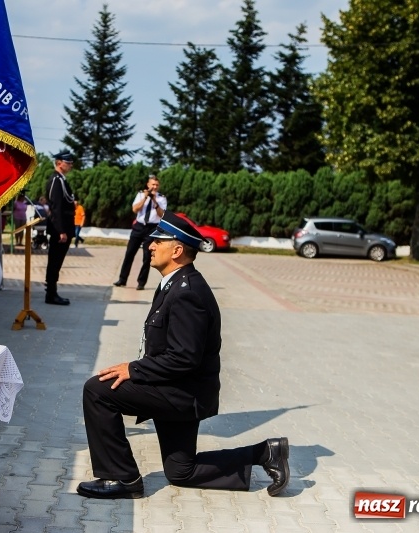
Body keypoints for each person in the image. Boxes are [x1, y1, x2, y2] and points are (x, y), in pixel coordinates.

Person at [78, 210, 289, 499]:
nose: (150, 246)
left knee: (97, 390)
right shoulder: (175, 284)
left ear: (177, 250)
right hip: (178, 388)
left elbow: (184, 357)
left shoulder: (187, 293)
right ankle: (267, 453)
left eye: (158, 242)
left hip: (181, 394)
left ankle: (122, 479)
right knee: (181, 472)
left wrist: (134, 370)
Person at [114, 175, 168, 290]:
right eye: (152, 184)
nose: (154, 187)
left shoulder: (161, 198)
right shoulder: (140, 195)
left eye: (157, 185)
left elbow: (161, 215)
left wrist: (154, 200)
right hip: (139, 227)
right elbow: (135, 209)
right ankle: (122, 279)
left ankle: (141, 282)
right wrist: (145, 198)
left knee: (147, 256)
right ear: (148, 185)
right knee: (129, 253)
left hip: (152, 228)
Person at [45, 151, 76, 305]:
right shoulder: (56, 181)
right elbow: (55, 208)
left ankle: (52, 292)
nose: (70, 165)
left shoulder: (61, 180)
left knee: (57, 262)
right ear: (59, 163)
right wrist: (61, 230)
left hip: (65, 227)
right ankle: (51, 294)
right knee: (54, 262)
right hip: (60, 229)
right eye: (68, 162)